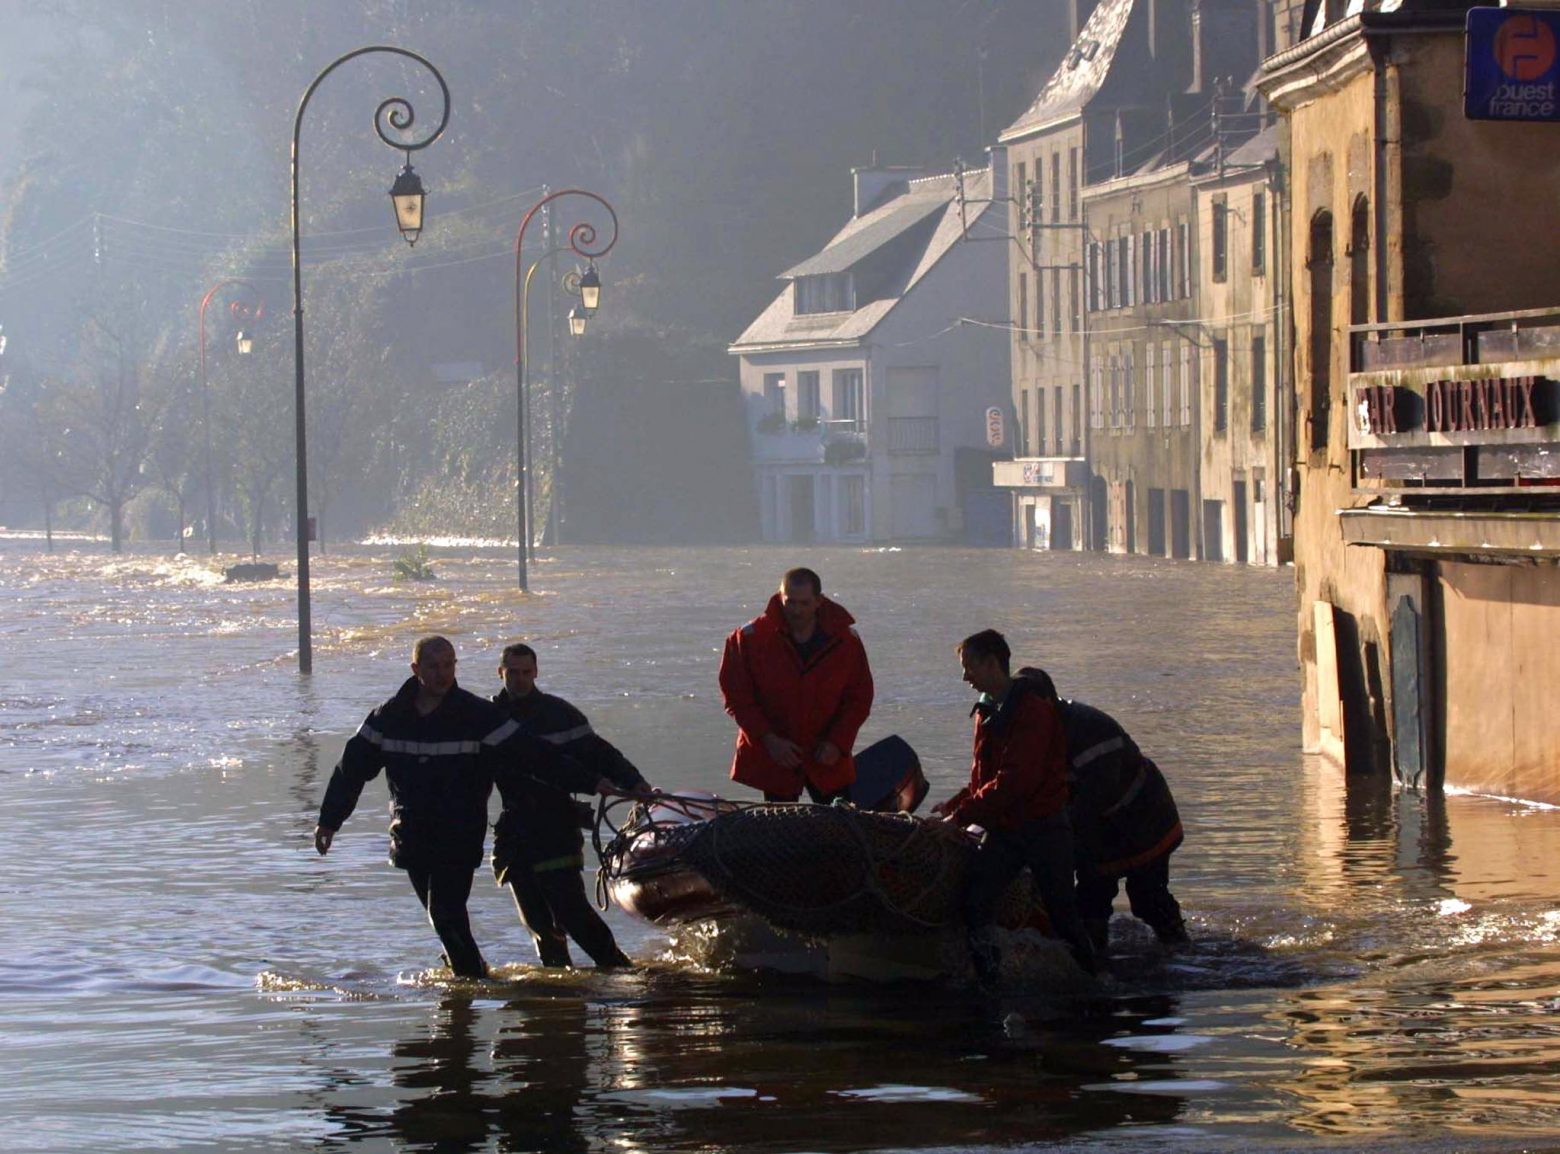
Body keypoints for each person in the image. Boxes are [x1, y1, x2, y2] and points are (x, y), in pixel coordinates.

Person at [313, 635, 601, 979]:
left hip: (459, 835)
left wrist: (592, 781)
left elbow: (535, 755)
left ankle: (470, 990)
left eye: (448, 665)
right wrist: (329, 821)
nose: (442, 673)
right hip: (411, 835)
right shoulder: (389, 717)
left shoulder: (476, 714)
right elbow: (351, 770)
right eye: (433, 666)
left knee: (444, 913)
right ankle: (471, 977)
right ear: (415, 669)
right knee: (444, 920)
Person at [932, 629, 1097, 983]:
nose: (964, 676)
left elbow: (1015, 781)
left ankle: (1093, 978)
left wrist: (958, 818)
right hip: (1005, 830)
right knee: (976, 901)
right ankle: (988, 977)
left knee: (1062, 912)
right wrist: (957, 802)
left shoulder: (1033, 712)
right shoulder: (985, 711)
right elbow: (984, 779)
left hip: (1044, 829)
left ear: (993, 663)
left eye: (969, 667)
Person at [492, 642, 656, 969]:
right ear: (501, 673)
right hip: (514, 831)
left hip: (556, 826)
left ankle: (618, 968)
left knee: (572, 912)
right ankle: (559, 991)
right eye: (513, 673)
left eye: (526, 672)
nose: (521, 679)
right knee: (537, 922)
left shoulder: (560, 714)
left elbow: (599, 753)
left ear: (536, 672)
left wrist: (634, 783)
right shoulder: (488, 719)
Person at [1021, 667, 1188, 955]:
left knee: (1148, 897)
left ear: (1046, 702)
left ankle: (1179, 950)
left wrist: (1055, 846)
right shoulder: (1034, 733)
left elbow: (1093, 801)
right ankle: (1094, 957)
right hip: (1095, 831)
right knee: (1090, 901)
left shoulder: (1090, 730)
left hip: (1142, 819)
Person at [718, 567, 874, 803]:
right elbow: (737, 700)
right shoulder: (747, 639)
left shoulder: (846, 641)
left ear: (819, 601)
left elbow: (859, 698)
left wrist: (837, 742)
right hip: (776, 755)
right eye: (790, 603)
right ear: (780, 597)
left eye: (804, 603)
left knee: (840, 829)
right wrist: (769, 740)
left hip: (826, 755)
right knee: (779, 831)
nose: (797, 611)